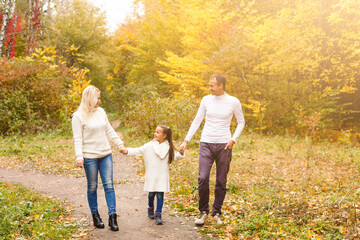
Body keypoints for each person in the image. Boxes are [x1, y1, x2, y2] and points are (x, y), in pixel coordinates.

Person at [178, 74, 245, 225]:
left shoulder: (233, 101)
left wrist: (233, 139)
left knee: (221, 181)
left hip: (224, 146)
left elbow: (241, 122)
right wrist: (186, 140)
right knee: (203, 178)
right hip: (206, 143)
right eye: (209, 85)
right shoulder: (206, 100)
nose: (209, 88)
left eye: (212, 86)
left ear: (221, 85)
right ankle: (203, 212)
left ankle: (216, 213)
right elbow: (197, 120)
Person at [71, 85, 123, 231]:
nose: (99, 101)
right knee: (92, 187)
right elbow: (77, 138)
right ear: (90, 99)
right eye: (97, 98)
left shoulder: (101, 112)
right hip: (89, 157)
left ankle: (113, 217)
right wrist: (79, 157)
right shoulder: (78, 116)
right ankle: (96, 216)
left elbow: (109, 130)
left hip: (106, 154)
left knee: (109, 185)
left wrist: (120, 144)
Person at [120, 125, 184, 225]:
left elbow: (173, 158)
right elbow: (138, 150)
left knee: (160, 195)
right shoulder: (149, 146)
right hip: (152, 174)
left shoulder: (168, 147)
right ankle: (150, 208)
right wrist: (127, 150)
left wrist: (180, 153)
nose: (155, 134)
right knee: (151, 194)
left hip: (162, 175)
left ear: (164, 135)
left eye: (158, 132)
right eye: (155, 131)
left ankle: (158, 214)